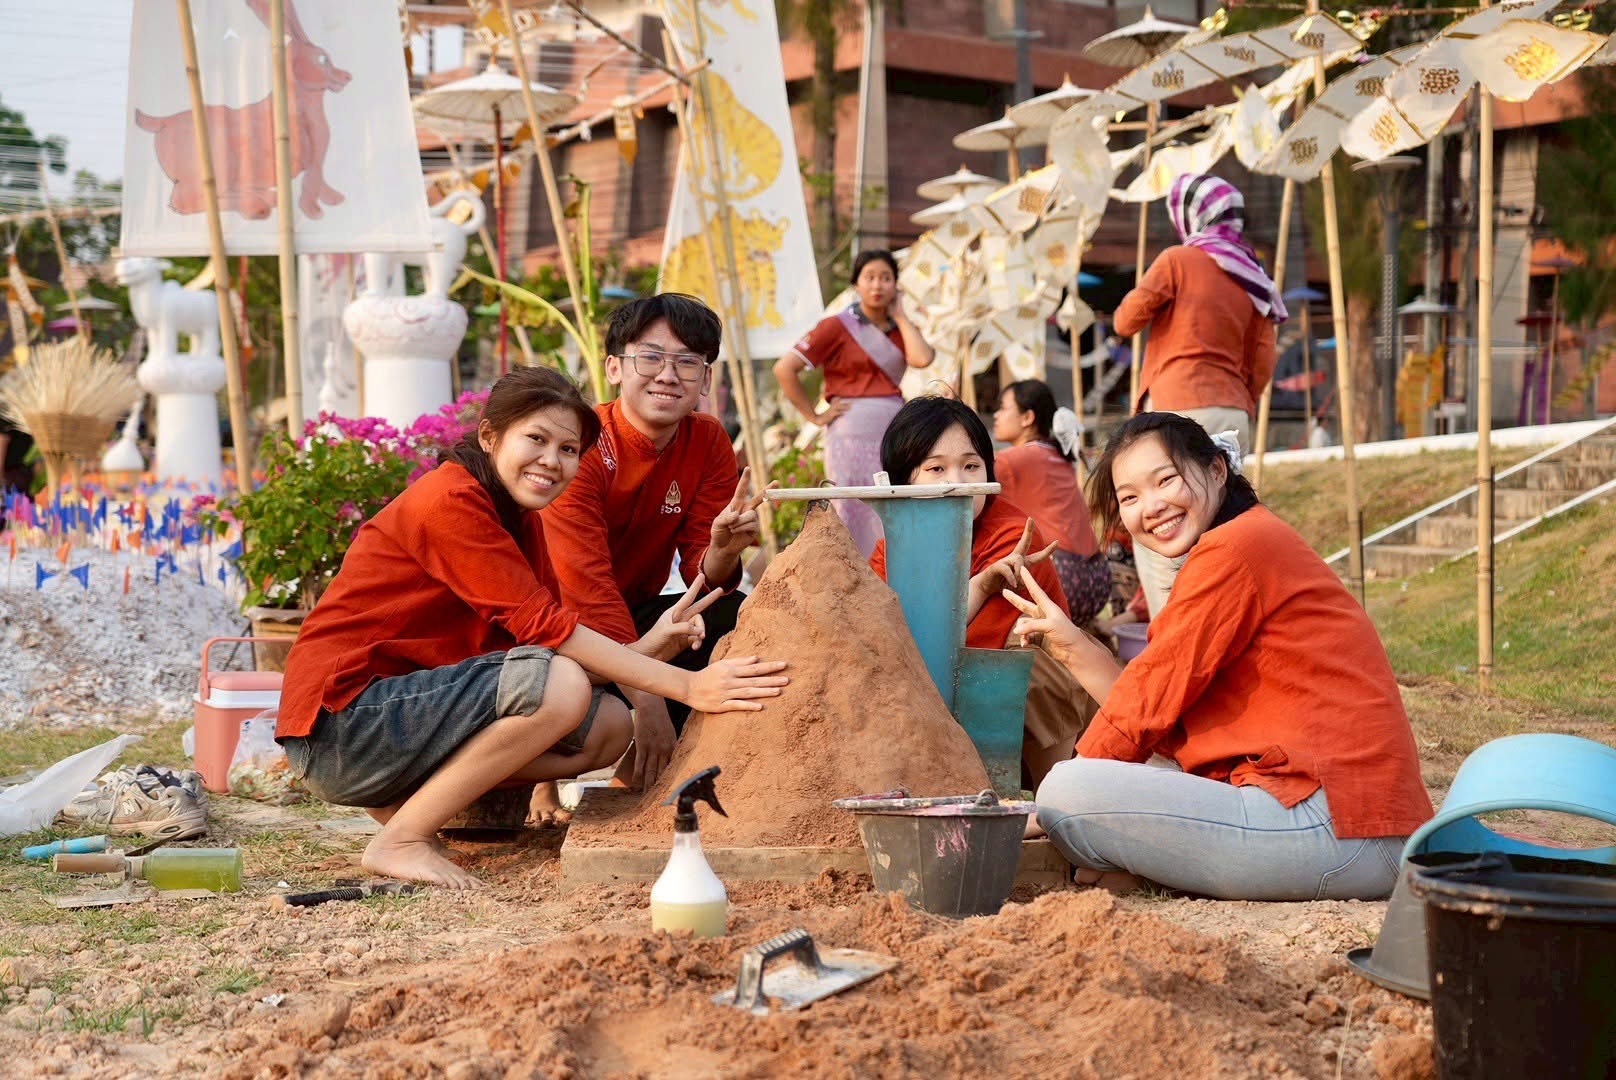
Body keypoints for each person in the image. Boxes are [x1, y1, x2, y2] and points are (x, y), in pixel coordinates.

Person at [276, 367, 789, 889]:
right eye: (536, 439)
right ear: (490, 435)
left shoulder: (518, 515)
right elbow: (550, 639)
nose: (552, 461)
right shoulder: (450, 500)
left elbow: (537, 646)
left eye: (568, 449)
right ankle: (401, 840)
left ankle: (408, 805)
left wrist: (650, 644)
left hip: (402, 716)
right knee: (561, 685)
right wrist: (689, 686)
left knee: (609, 724)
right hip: (340, 726)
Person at [1005, 413, 1432, 900]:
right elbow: (1156, 706)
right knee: (1117, 773)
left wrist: (1056, 808)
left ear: (1215, 469)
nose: (1152, 507)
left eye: (1165, 479)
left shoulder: (1234, 548)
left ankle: (1127, 856)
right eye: (1130, 497)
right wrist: (1071, 645)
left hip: (1338, 827)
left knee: (1067, 789)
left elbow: (1146, 703)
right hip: (1351, 823)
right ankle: (1140, 866)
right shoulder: (1245, 538)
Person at [544, 294, 767, 791]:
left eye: (687, 362)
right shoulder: (579, 445)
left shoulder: (707, 439)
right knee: (573, 665)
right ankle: (539, 782)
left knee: (729, 617)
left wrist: (724, 550)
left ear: (705, 379)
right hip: (559, 620)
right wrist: (649, 702)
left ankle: (651, 774)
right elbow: (586, 591)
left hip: (637, 611)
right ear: (615, 368)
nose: (667, 375)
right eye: (650, 357)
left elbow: (702, 575)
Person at [868, 396, 1093, 790]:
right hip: (945, 698)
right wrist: (982, 585)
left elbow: (957, 640)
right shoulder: (894, 544)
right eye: (936, 468)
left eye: (971, 465)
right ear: (902, 480)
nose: (957, 481)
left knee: (1023, 655)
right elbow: (881, 630)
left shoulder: (1012, 535)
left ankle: (1052, 791)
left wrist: (987, 584)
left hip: (1031, 710)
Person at [1114, 173, 1284, 618]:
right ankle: (1230, 624)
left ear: (1187, 215)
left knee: (1161, 528)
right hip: (1232, 411)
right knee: (1222, 527)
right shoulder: (1254, 277)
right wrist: (1235, 395)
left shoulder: (1178, 259)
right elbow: (1264, 358)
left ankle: (1173, 634)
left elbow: (1125, 320)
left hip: (1175, 406)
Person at [775, 249, 934, 557]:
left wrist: (901, 315)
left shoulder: (901, 328)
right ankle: (850, 577)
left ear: (896, 285)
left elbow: (922, 358)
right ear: (856, 284)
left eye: (885, 278)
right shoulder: (836, 325)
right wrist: (814, 417)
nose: (877, 285)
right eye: (869, 277)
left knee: (892, 505)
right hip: (849, 435)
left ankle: (889, 573)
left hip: (893, 432)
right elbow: (785, 369)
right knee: (849, 507)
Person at [991, 379, 1110, 625]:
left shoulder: (1013, 460)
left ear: (1027, 418)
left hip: (1062, 583)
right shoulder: (1055, 453)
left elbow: (966, 473)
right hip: (1097, 579)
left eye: (1002, 407)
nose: (996, 415)